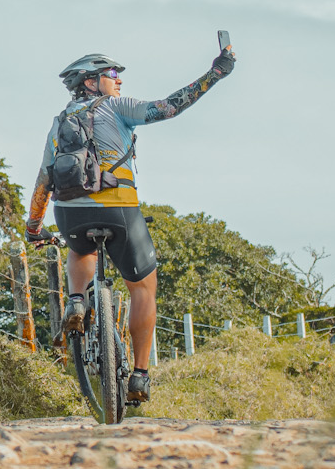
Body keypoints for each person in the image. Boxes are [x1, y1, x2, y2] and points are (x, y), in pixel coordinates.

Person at [24, 46, 235, 404]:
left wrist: (34, 227)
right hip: (118, 208)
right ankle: (139, 375)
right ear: (91, 82)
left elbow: (44, 180)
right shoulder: (116, 107)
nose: (119, 80)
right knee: (143, 287)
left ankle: (76, 300)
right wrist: (215, 73)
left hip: (68, 212)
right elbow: (171, 106)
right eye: (111, 75)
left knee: (79, 248)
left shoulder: (58, 123)